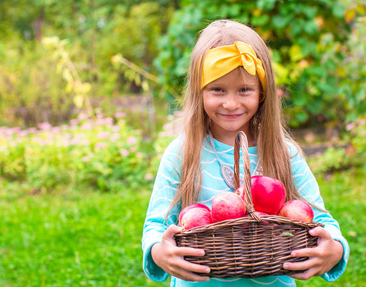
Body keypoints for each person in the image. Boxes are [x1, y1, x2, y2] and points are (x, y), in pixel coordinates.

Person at [142, 19, 349, 286]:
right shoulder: (181, 153)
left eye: (244, 89)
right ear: (199, 91)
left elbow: (321, 218)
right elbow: (155, 226)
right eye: (217, 89)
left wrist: (337, 248)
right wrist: (160, 252)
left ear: (262, 92)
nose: (231, 103)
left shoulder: (283, 153)